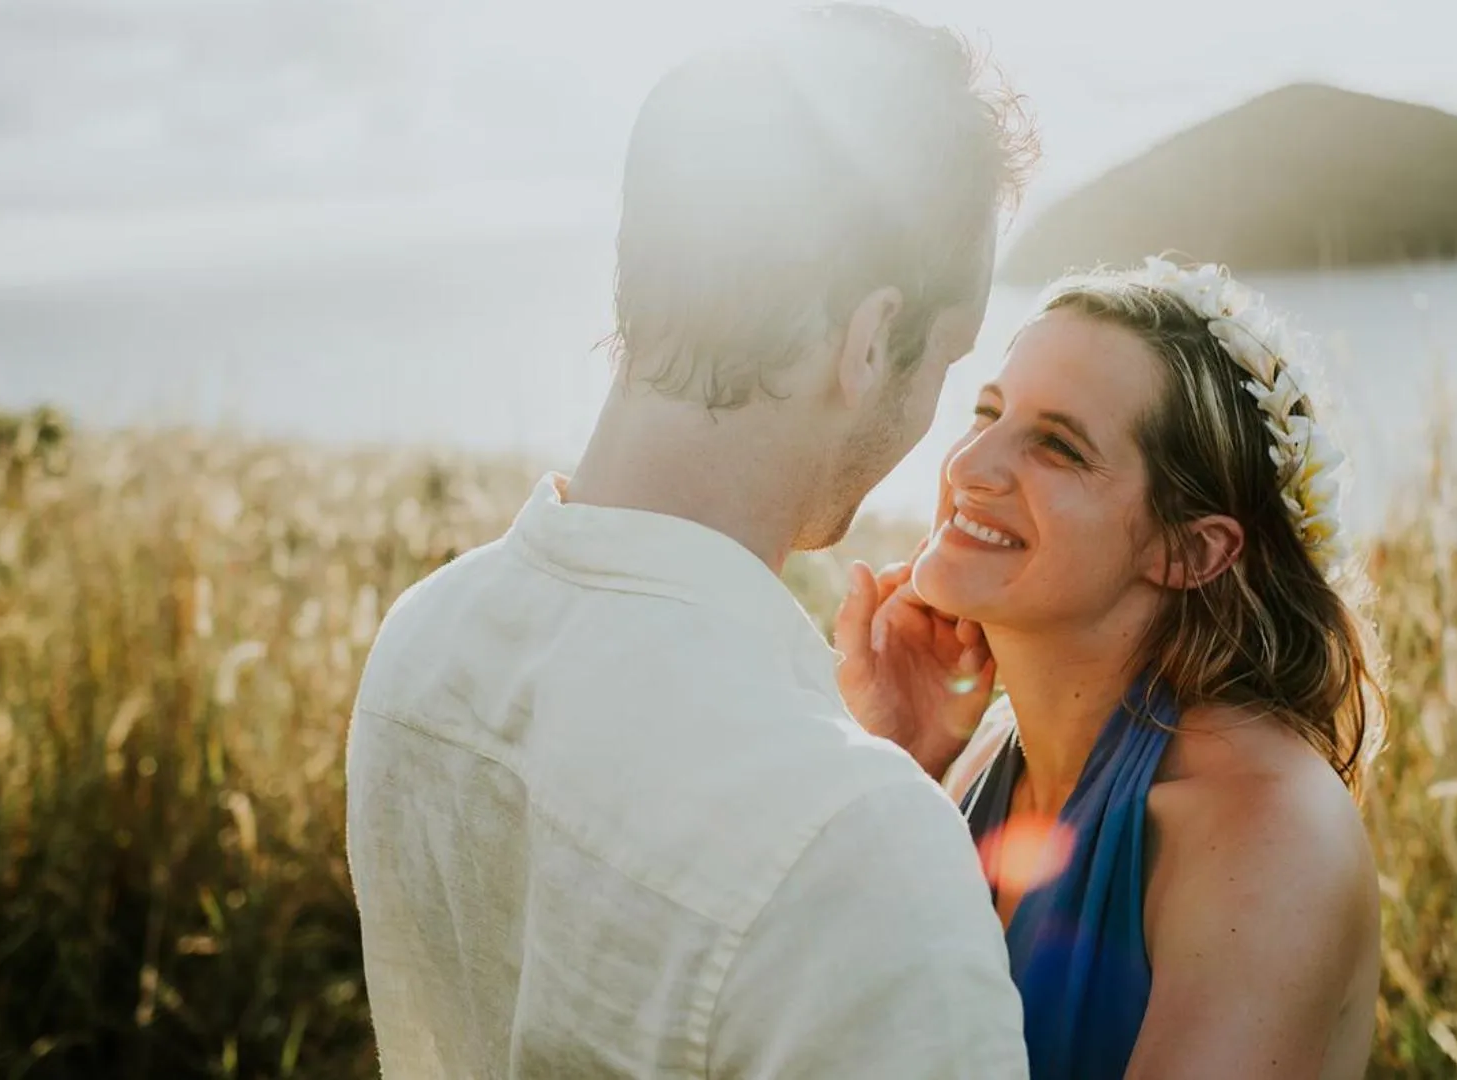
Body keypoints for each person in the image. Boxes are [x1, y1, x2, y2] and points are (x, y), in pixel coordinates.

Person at [345, 7, 1038, 1077]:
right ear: (867, 343)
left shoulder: (421, 643)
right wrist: (871, 811)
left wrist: (875, 766)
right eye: (945, 362)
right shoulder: (861, 845)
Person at [837, 258, 1387, 1079]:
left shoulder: (1267, 834)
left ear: (1191, 550)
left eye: (1057, 446)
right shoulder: (974, 763)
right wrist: (901, 760)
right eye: (988, 412)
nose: (968, 467)